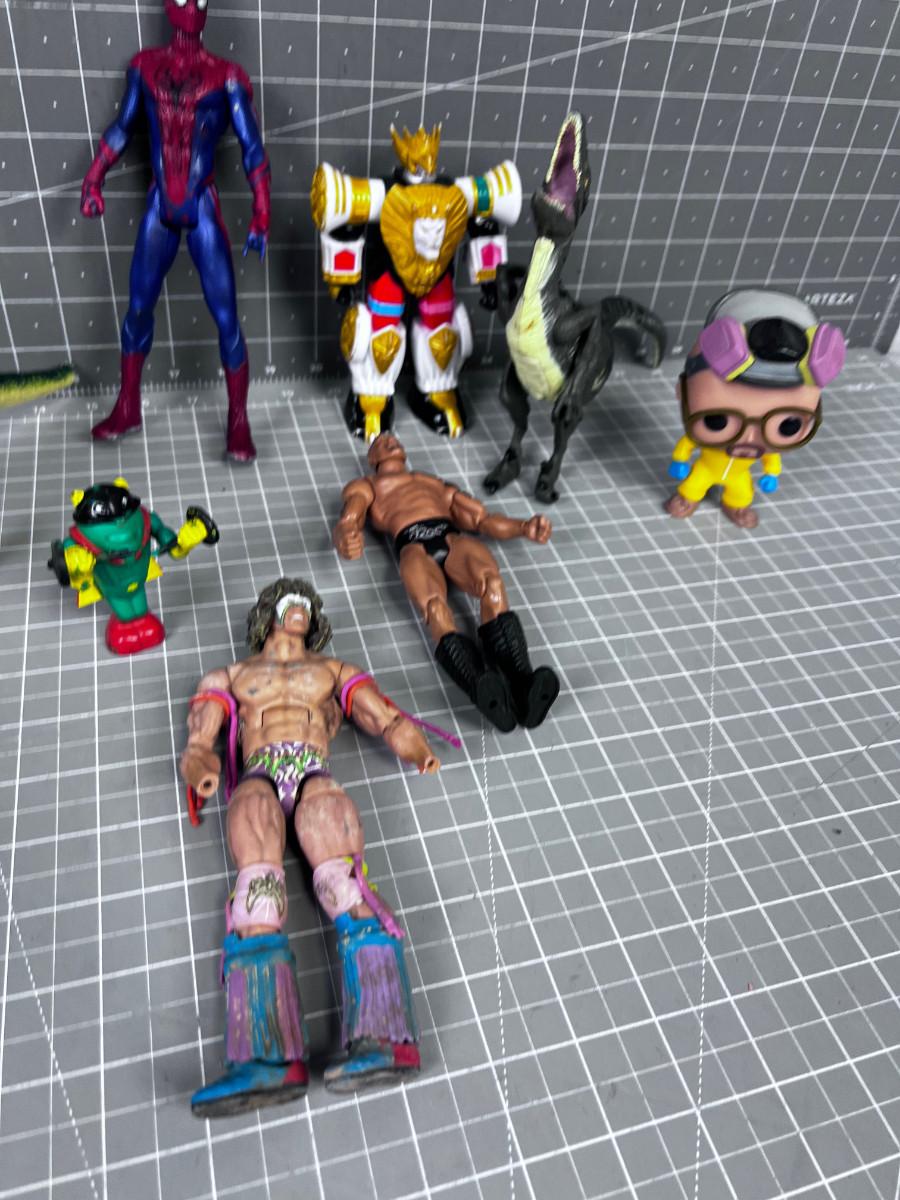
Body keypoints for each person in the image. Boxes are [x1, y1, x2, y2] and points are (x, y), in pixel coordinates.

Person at [179, 578, 439, 1116]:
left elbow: (382, 716)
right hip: (258, 773)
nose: (300, 608)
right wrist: (202, 770)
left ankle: (387, 1037)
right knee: (257, 895)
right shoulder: (230, 676)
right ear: (268, 613)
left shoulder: (332, 670)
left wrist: (416, 749)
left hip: (315, 771)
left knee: (347, 886)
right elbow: (199, 741)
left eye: (306, 603)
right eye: (290, 601)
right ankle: (267, 1057)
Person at [81, 0, 270, 461]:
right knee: (138, 309)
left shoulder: (226, 77)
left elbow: (252, 147)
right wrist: (93, 177)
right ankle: (128, 407)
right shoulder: (145, 68)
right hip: (160, 206)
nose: (193, 6)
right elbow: (123, 127)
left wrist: (262, 210)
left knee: (226, 317)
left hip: (201, 205)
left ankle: (239, 421)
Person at [334, 433, 559, 732]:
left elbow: (482, 519)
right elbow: (350, 517)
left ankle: (522, 681)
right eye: (380, 442)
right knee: (435, 610)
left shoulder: (433, 483)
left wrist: (523, 527)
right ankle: (480, 687)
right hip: (412, 544)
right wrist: (344, 534)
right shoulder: (367, 485)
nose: (390, 440)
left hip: (450, 536)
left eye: (393, 438)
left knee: (492, 586)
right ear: (372, 458)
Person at [665, 290, 845, 528]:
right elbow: (687, 443)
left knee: (741, 493)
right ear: (682, 391)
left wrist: (772, 473)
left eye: (787, 426)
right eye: (716, 420)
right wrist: (680, 460)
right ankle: (688, 499)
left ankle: (736, 506)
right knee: (693, 485)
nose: (748, 440)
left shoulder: (763, 448)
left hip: (739, 474)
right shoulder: (702, 435)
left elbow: (771, 458)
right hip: (706, 466)